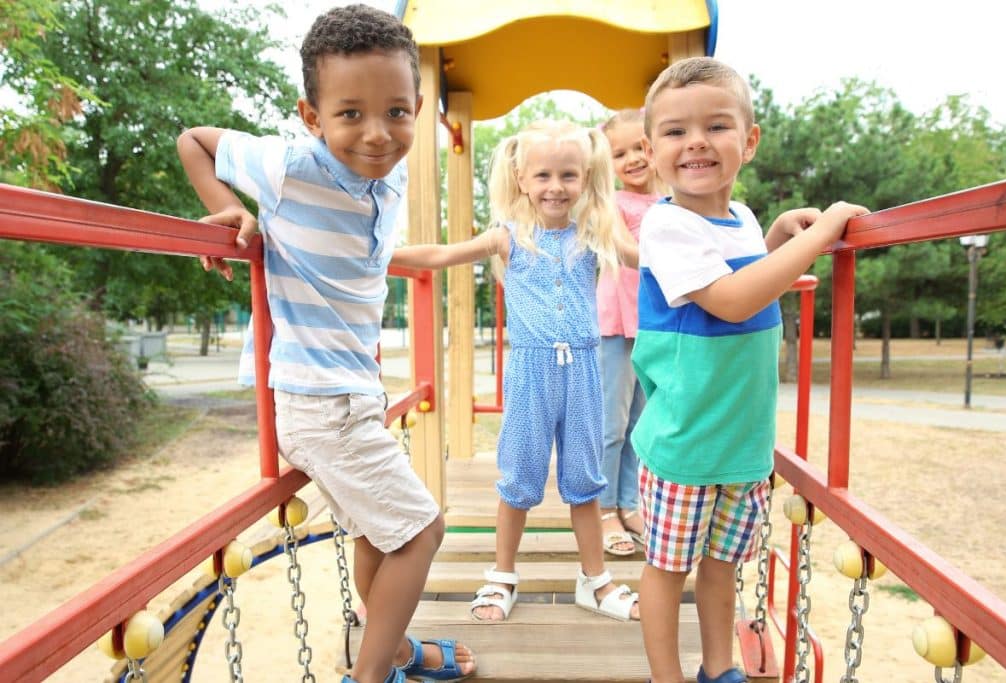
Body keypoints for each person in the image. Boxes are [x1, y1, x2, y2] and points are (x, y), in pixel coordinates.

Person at [176, 6, 475, 683]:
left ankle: (392, 649)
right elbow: (194, 139)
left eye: (397, 112)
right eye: (350, 115)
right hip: (319, 399)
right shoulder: (288, 165)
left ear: (419, 108)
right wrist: (228, 205)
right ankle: (371, 673)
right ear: (311, 115)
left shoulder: (390, 171)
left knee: (381, 530)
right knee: (422, 531)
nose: (377, 134)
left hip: (353, 393)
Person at [633, 56, 868, 683]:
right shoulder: (666, 223)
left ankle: (718, 665)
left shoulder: (738, 217)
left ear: (750, 141)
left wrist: (774, 238)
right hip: (687, 439)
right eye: (675, 132)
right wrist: (817, 236)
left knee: (721, 563)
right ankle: (667, 676)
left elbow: (740, 279)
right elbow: (732, 300)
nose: (696, 143)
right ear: (652, 150)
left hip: (741, 440)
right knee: (667, 567)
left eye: (717, 126)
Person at [391, 119, 642, 623]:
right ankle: (502, 575)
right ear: (521, 178)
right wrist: (378, 257)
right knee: (520, 478)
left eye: (568, 175)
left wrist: (722, 262)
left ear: (586, 176)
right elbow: (441, 255)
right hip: (531, 372)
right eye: (543, 175)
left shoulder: (592, 233)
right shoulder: (509, 237)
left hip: (584, 372)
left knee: (586, 480)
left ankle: (595, 581)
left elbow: (646, 259)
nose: (556, 187)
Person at [596, 109, 660, 557]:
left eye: (641, 146)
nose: (634, 158)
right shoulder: (612, 204)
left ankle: (629, 501)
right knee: (612, 423)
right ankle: (603, 509)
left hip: (654, 322)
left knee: (642, 421)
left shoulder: (672, 203)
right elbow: (622, 248)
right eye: (621, 153)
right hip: (617, 322)